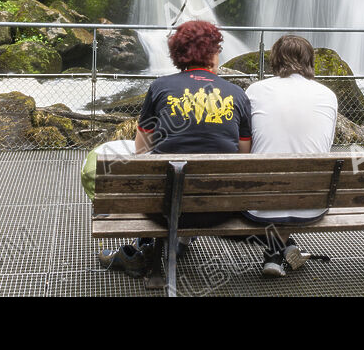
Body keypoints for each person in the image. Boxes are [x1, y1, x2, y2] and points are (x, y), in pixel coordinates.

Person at [98, 20, 253, 276]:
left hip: (164, 211)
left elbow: (141, 151)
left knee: (118, 157)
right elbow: (244, 157)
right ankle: (180, 241)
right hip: (221, 209)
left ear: (178, 53)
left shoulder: (160, 87)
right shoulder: (237, 94)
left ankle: (145, 252)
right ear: (213, 53)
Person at [243, 35, 337, 277]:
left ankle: (275, 253)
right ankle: (284, 249)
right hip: (312, 204)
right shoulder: (328, 95)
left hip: (259, 205)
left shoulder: (255, 91)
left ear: (274, 60)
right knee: (286, 194)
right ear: (309, 61)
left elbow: (246, 145)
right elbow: (326, 144)